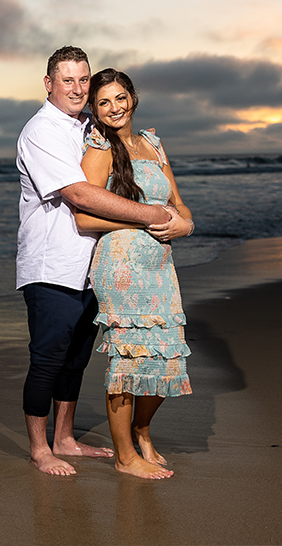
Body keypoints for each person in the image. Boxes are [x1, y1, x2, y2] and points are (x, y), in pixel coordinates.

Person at [16, 47, 172, 476]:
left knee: (77, 359)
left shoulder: (87, 124)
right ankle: (39, 448)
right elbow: (80, 194)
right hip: (52, 266)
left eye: (83, 80)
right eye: (67, 80)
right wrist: (152, 215)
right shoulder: (41, 131)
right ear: (49, 84)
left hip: (91, 268)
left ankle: (65, 438)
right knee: (48, 358)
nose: (78, 88)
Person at [74, 68, 194, 480]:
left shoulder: (153, 143)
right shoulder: (99, 146)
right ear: (94, 108)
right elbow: (85, 217)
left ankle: (142, 430)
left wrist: (186, 224)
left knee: (165, 354)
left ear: (133, 98)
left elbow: (178, 202)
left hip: (160, 268)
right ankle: (125, 457)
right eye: (104, 102)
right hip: (120, 268)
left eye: (120, 98)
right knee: (128, 361)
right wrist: (140, 223)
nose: (114, 108)